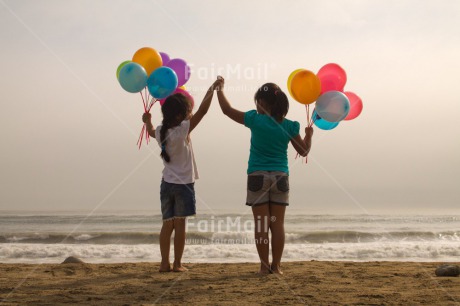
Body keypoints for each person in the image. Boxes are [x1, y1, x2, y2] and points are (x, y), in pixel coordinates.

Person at [215, 77, 313, 274]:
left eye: (258, 101)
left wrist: (220, 89)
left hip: (257, 176)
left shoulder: (254, 119)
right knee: (277, 225)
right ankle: (276, 267)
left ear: (263, 103)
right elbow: (303, 152)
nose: (256, 105)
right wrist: (309, 135)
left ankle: (263, 266)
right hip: (280, 177)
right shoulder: (289, 125)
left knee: (261, 224)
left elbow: (227, 110)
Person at [142, 80, 219, 272]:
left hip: (166, 184)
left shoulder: (162, 131)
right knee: (180, 226)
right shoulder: (182, 129)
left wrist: (147, 122)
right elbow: (202, 111)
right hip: (183, 185)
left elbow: (152, 132)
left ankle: (163, 263)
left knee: (167, 225)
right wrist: (212, 89)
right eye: (186, 113)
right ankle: (177, 264)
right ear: (179, 116)